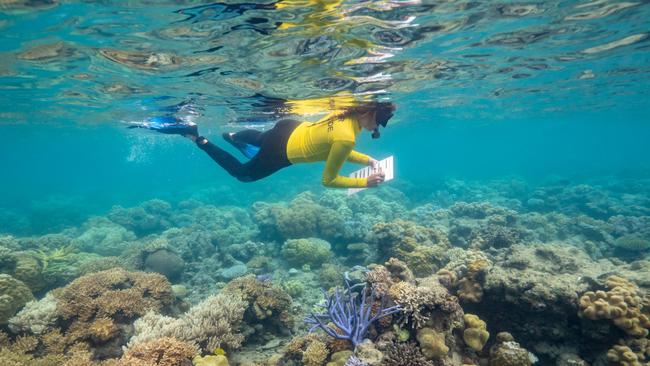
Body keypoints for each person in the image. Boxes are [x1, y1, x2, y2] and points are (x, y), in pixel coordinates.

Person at [133, 101, 395, 188]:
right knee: (243, 175)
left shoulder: (345, 113)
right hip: (283, 152)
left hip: (289, 127)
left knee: (261, 139)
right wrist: (365, 182)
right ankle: (195, 136)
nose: (376, 128)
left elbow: (337, 147)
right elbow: (328, 180)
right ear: (369, 113)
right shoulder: (347, 136)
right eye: (378, 122)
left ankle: (234, 136)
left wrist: (370, 161)